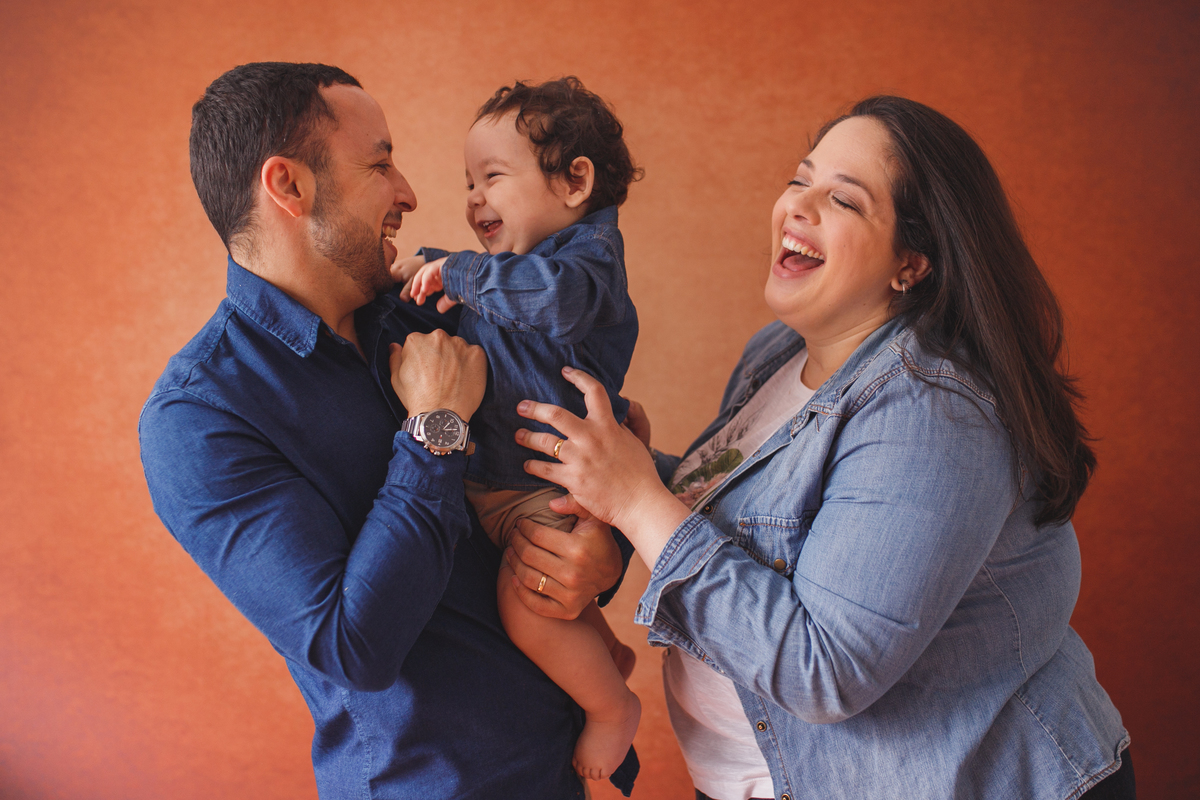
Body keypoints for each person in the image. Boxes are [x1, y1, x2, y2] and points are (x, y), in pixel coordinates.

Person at [511, 96, 1132, 800]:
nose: (798, 207)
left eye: (844, 199)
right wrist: (621, 475)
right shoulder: (779, 352)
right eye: (800, 179)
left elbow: (824, 670)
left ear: (912, 261)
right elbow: (764, 517)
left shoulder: (932, 412)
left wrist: (636, 498)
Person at [139, 62, 637, 799]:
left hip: (572, 766)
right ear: (289, 186)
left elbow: (587, 437)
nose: (409, 191)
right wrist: (436, 428)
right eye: (380, 163)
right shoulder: (201, 418)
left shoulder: (430, 312)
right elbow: (354, 647)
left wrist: (603, 550)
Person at [398, 77, 642, 781]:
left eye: (493, 178)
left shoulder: (584, 266)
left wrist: (460, 271)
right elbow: (489, 297)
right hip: (503, 485)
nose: (474, 198)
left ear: (574, 182)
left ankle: (611, 708)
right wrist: (426, 275)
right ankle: (605, 655)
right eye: (468, 183)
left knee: (528, 605)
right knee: (541, 595)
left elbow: (549, 304)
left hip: (546, 489)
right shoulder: (508, 276)